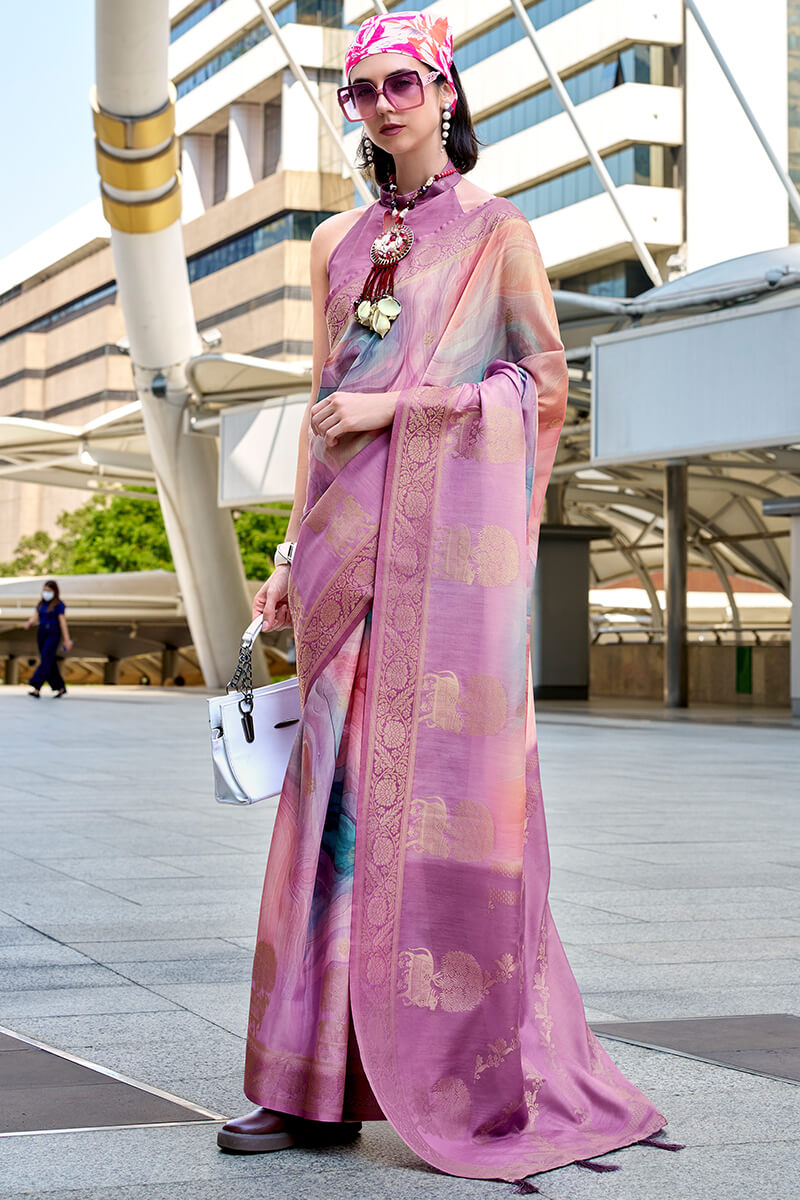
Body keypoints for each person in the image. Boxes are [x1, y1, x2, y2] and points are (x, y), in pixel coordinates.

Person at [217, 10, 683, 1186]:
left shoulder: (496, 233)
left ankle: (446, 1072)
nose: (381, 106)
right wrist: (283, 556)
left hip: (435, 581)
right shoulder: (333, 243)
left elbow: (537, 388)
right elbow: (325, 408)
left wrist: (406, 408)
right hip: (336, 565)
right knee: (324, 822)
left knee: (415, 823)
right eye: (362, 89)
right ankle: (302, 1088)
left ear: (445, 92)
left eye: (401, 85)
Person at [24, 579, 72, 698]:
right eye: (45, 590)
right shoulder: (41, 604)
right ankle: (60, 687)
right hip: (42, 633)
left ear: (54, 592)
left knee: (46, 659)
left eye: (49, 591)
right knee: (49, 661)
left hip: (53, 632)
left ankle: (36, 686)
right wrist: (29, 623)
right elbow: (35, 617)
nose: (46, 593)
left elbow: (62, 622)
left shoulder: (58, 605)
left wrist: (67, 639)